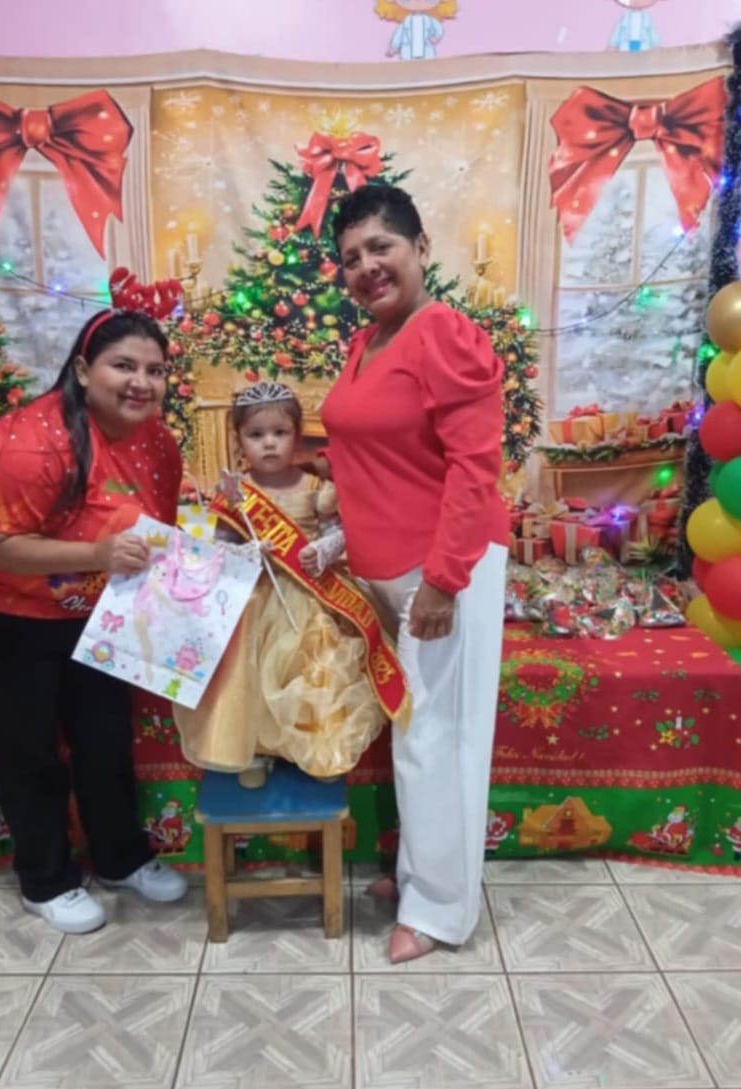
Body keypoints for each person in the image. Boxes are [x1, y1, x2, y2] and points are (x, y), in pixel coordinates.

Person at [0, 309, 189, 934]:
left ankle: (121, 858)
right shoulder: (31, 442)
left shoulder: (158, 443)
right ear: (82, 369)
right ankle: (45, 880)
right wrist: (97, 554)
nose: (142, 383)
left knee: (104, 736)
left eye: (155, 370)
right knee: (28, 749)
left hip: (90, 612)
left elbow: (155, 534)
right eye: (123, 365)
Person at [321, 183, 509, 963]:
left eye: (382, 247)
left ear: (421, 249)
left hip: (443, 569)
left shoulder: (444, 333)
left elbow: (475, 466)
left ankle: (438, 909)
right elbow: (376, 461)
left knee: (439, 739)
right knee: (416, 730)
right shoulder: (368, 342)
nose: (366, 267)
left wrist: (443, 579)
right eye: (351, 257)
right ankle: (420, 873)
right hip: (391, 571)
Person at [173, 380, 406, 788]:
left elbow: (341, 532)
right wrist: (248, 553)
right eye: (256, 434)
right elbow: (216, 549)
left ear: (296, 437)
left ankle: (318, 747)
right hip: (254, 598)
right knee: (251, 678)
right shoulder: (237, 494)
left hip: (312, 594)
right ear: (239, 440)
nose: (269, 443)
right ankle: (256, 749)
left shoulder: (317, 488)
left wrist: (325, 549)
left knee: (316, 673)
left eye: (279, 433)